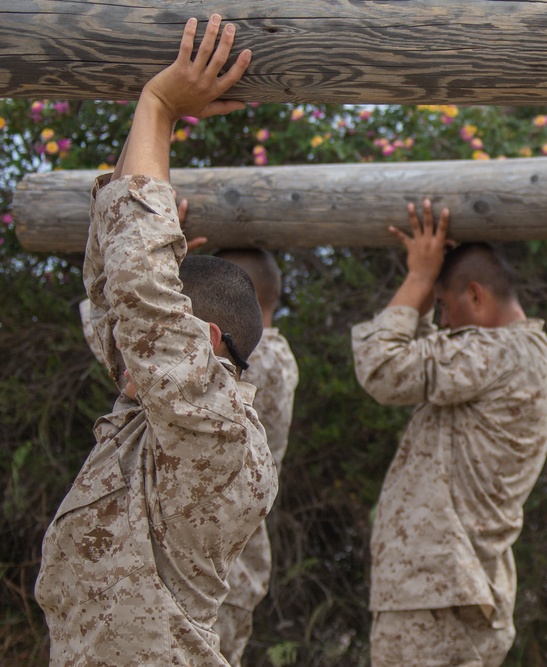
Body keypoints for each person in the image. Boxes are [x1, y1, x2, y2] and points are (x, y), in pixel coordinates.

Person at [34, 16, 278, 665]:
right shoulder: (147, 414)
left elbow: (141, 298)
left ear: (204, 339)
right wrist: (144, 212)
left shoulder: (216, 427)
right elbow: (115, 293)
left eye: (156, 335)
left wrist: (161, 104)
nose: (128, 357)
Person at [351, 201, 547, 667]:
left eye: (447, 307)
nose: (443, 322)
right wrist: (428, 296)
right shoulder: (512, 354)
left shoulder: (498, 352)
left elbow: (382, 366)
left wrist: (419, 280)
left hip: (437, 595)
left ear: (476, 296)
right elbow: (425, 355)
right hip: (448, 590)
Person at [212, 249, 299, 666]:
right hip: (227, 568)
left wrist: (164, 270)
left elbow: (126, 345)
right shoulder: (274, 356)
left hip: (216, 571)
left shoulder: (253, 359)